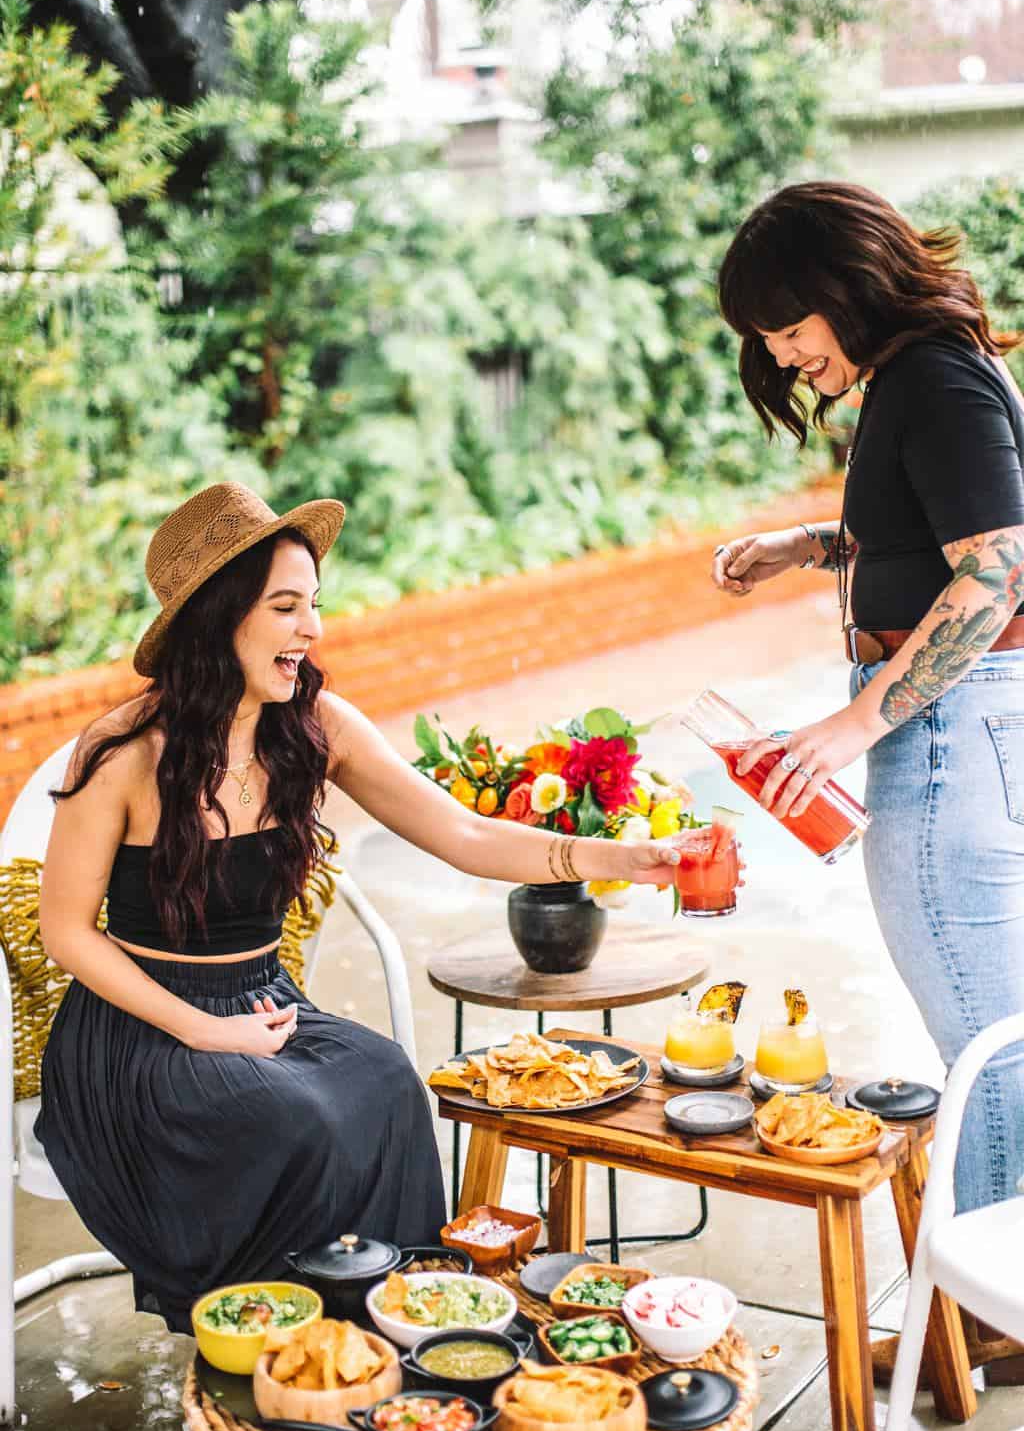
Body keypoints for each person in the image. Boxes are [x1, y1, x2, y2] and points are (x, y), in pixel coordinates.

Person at [35, 481, 688, 1333]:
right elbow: (64, 931)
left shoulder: (313, 725)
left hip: (261, 1002)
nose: (313, 629)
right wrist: (206, 1031)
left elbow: (463, 834)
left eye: (314, 604)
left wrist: (619, 859)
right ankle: (271, 1341)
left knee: (384, 1082)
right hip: (141, 1031)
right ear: (218, 618)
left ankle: (398, 1325)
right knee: (289, 1117)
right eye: (286, 607)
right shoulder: (124, 753)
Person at [713, 181, 1024, 1386]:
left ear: (844, 289)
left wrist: (858, 719)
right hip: (973, 728)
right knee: (995, 1020)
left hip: (948, 733)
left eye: (789, 327)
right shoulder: (927, 375)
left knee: (983, 1038)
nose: (784, 356)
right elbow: (935, 527)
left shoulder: (935, 378)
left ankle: (988, 1314)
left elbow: (992, 571)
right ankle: (991, 1291)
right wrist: (810, 545)